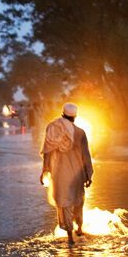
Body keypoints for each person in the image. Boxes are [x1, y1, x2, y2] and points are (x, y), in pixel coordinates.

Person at [40, 102, 94, 244]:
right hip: (77, 174)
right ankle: (80, 228)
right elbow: (86, 155)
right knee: (78, 201)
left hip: (59, 174)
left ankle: (70, 237)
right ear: (75, 116)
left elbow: (47, 152)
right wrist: (89, 174)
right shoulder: (80, 132)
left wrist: (44, 170)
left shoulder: (52, 128)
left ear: (62, 113)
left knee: (64, 204)